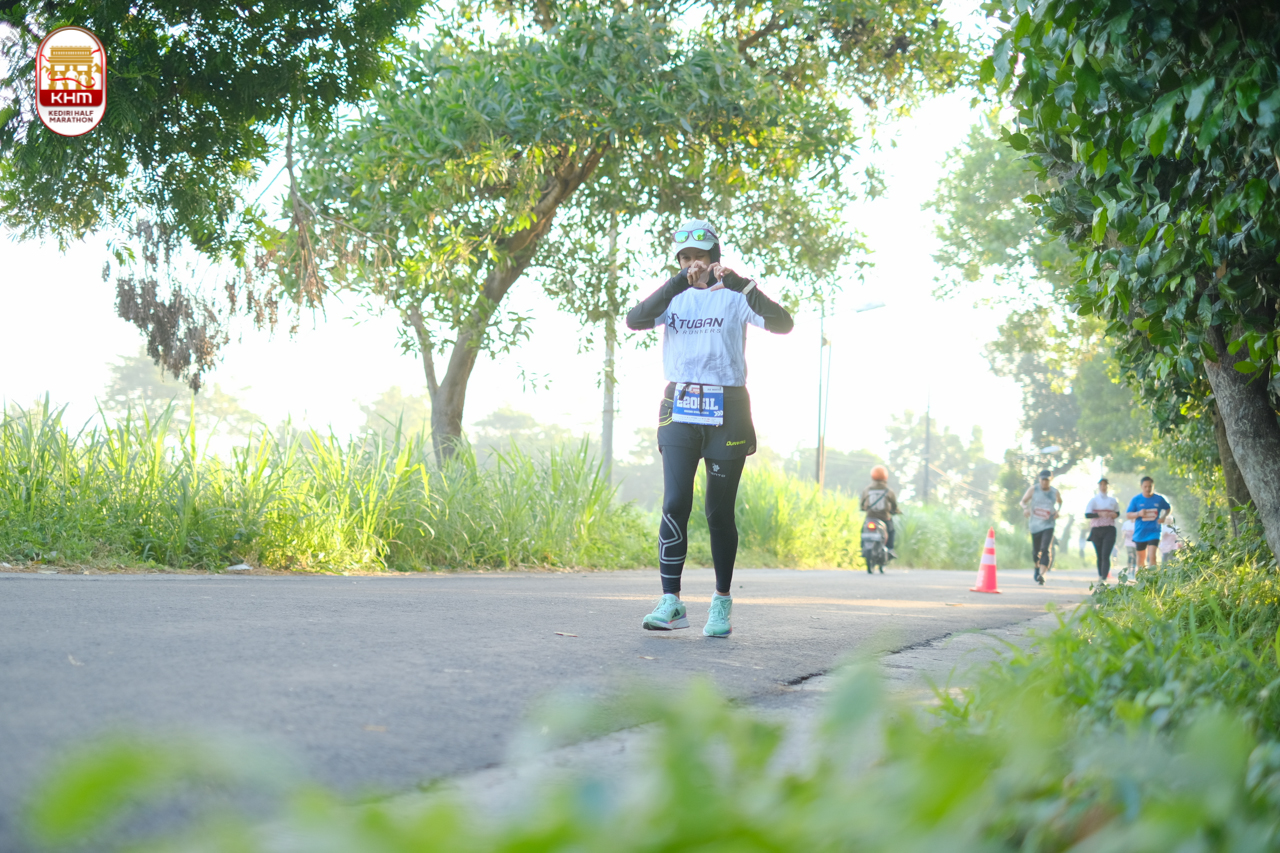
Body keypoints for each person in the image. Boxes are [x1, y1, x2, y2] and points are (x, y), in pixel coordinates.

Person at [626, 219, 793, 637]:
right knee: (675, 502)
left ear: (715, 258)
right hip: (680, 407)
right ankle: (671, 601)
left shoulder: (735, 296)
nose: (693, 264)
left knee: (718, 512)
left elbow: (784, 323)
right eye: (685, 258)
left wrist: (741, 285)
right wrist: (675, 283)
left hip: (727, 408)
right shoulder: (674, 297)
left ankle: (721, 603)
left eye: (699, 256)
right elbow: (634, 319)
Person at [1020, 469, 1062, 585]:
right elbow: (1023, 501)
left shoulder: (1054, 492)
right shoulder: (1034, 489)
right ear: (1039, 480)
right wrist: (1025, 508)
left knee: (1045, 549)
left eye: (1047, 480)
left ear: (1050, 480)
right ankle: (1037, 567)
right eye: (1043, 480)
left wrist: (1058, 511)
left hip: (1048, 524)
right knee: (1036, 552)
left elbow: (1060, 502)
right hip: (1035, 525)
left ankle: (1042, 574)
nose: (1044, 482)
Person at [1126, 476, 1171, 571]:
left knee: (1152, 555)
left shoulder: (1159, 499)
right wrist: (1138, 513)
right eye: (1145, 486)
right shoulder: (1136, 499)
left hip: (1154, 531)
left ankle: (1153, 577)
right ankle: (1141, 577)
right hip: (1140, 532)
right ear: (1141, 486)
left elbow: (1168, 508)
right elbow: (1128, 515)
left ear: (1153, 486)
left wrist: (1163, 517)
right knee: (1141, 558)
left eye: (1150, 486)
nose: (1148, 489)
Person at [1083, 477, 1120, 582]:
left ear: (1108, 486)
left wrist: (1114, 515)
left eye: (1105, 485)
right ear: (1099, 486)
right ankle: (1100, 575)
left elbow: (1117, 513)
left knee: (1105, 554)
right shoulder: (1094, 500)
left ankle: (1104, 577)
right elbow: (1087, 514)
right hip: (1097, 529)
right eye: (1101, 485)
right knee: (1099, 554)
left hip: (1109, 529)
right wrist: (1099, 514)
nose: (1103, 487)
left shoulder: (1113, 501)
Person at [860, 465, 901, 558]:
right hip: (884, 518)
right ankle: (890, 549)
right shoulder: (888, 490)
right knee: (891, 531)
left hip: (870, 517)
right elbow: (894, 504)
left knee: (863, 530)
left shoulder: (867, 489)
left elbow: (862, 503)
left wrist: (863, 508)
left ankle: (863, 548)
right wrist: (895, 510)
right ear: (885, 476)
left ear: (872, 475)